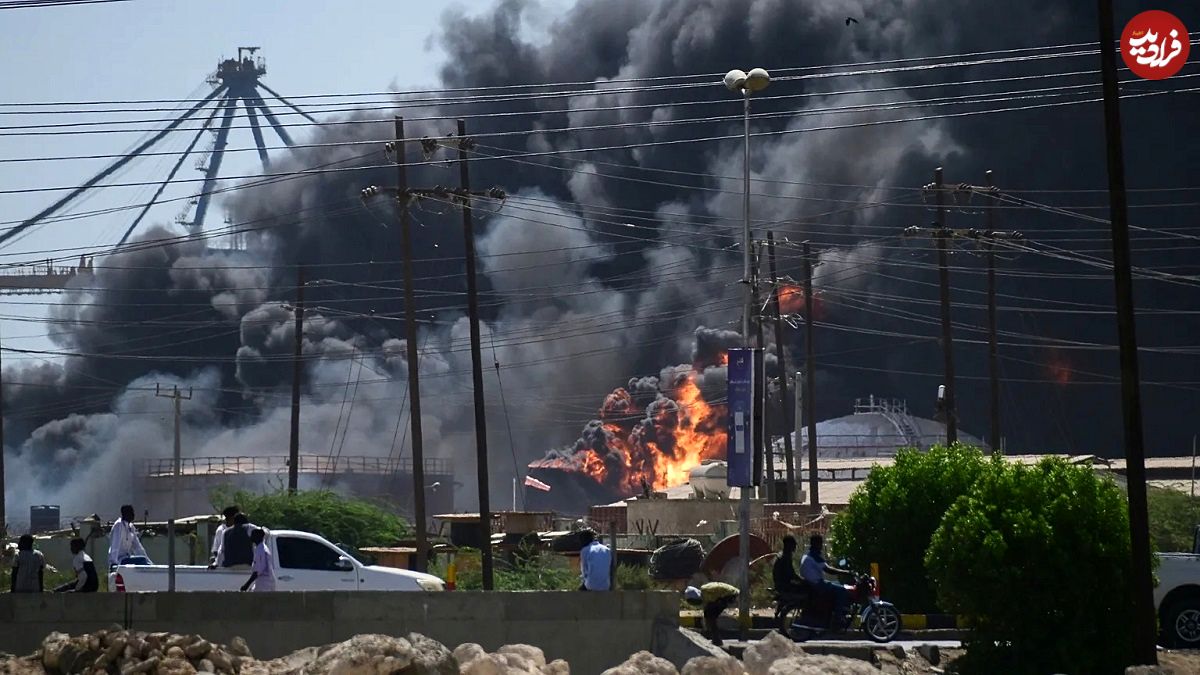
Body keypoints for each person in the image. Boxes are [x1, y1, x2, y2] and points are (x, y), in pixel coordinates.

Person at [799, 534, 851, 626]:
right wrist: (846, 572)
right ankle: (838, 618)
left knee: (836, 583)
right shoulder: (814, 555)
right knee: (842, 590)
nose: (821, 546)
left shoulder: (808, 554)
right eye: (820, 543)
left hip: (811, 583)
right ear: (816, 544)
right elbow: (828, 570)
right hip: (817, 584)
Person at [684, 582, 739, 646]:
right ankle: (715, 638)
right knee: (709, 615)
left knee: (710, 616)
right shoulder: (705, 596)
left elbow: (719, 587)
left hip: (729, 595)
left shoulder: (705, 589)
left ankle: (716, 640)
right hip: (725, 597)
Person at [108, 505, 151, 569]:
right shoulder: (119, 525)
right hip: (120, 560)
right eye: (131, 512)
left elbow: (138, 547)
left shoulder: (131, 527)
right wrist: (114, 562)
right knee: (141, 561)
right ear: (125, 514)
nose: (133, 514)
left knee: (143, 560)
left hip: (127, 558)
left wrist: (149, 562)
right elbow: (115, 545)